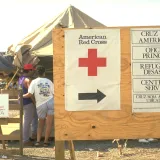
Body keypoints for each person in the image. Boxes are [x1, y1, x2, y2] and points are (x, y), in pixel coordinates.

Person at [23, 65, 54, 147]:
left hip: (40, 104)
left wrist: (21, 96)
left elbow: (29, 94)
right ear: (44, 73)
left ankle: (38, 141)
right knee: (49, 123)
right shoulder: (49, 81)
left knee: (41, 123)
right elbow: (54, 93)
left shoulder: (33, 82)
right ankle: (46, 141)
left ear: (36, 73)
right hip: (50, 102)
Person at [18, 64, 38, 146]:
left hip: (22, 102)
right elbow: (31, 94)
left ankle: (32, 135)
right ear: (29, 70)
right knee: (27, 122)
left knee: (30, 120)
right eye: (32, 70)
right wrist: (35, 102)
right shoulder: (28, 80)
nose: (33, 72)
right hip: (28, 102)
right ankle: (26, 140)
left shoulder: (20, 79)